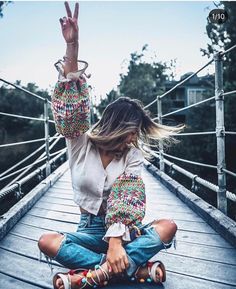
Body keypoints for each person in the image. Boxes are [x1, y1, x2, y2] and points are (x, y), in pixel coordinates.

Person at [38, 2, 183, 289]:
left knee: (168, 227)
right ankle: (134, 270)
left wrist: (116, 241)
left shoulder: (133, 155)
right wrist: (73, 47)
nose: (133, 139)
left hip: (125, 230)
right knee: (47, 242)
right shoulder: (80, 142)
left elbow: (128, 193)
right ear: (116, 126)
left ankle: (94, 275)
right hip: (89, 229)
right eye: (131, 132)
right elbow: (71, 110)